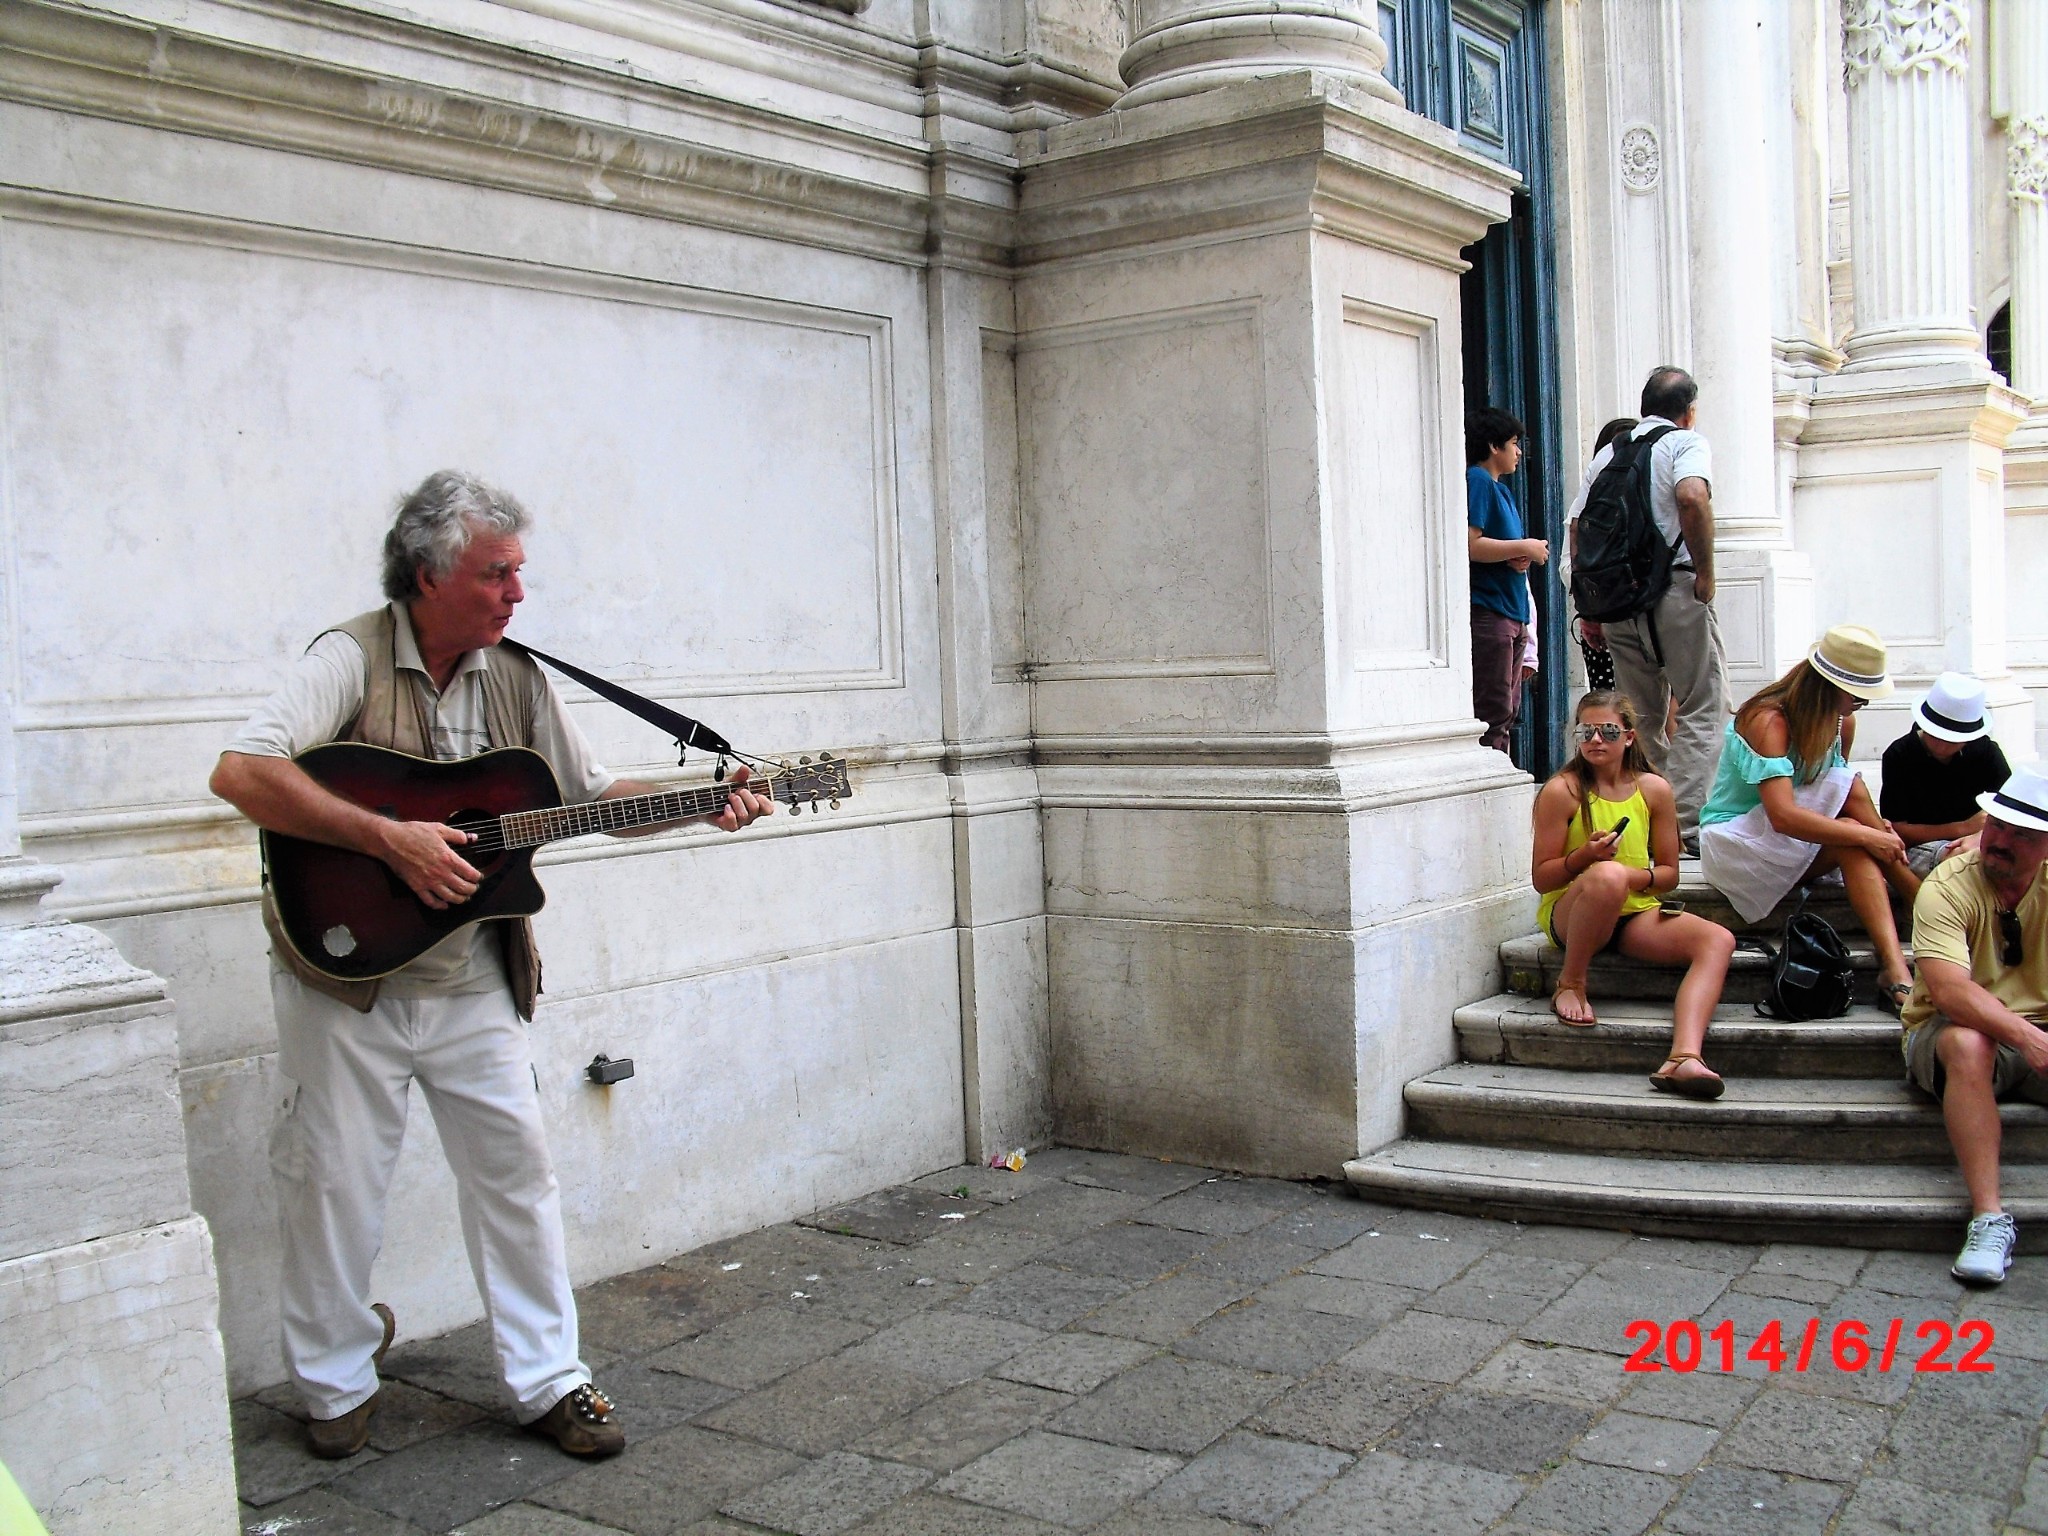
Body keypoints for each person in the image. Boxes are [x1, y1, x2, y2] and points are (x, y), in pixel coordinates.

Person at [209, 471, 774, 1460]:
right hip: (352, 982)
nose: (517, 594)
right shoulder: (347, 659)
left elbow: (595, 795)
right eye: (495, 573)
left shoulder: (518, 677)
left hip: (473, 981)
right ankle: (334, 1384)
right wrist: (390, 842)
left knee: (516, 1178)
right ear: (428, 574)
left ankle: (550, 1379)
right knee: (335, 1182)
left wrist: (701, 796)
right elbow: (242, 773)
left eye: (520, 572)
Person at [1696, 625, 1915, 1013]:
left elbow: (1836, 792)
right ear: (1828, 684)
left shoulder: (1840, 720)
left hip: (1787, 843)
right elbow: (1782, 815)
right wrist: (1874, 835)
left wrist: (1872, 834)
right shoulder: (1769, 720)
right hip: (1736, 844)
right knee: (1855, 823)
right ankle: (1916, 895)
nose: (1862, 703)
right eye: (1857, 694)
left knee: (1853, 832)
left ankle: (1894, 966)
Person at [1532, 691, 1738, 1096]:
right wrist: (1583, 858)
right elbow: (1543, 879)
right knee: (1606, 876)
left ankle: (1684, 1057)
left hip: (1631, 912)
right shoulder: (1563, 791)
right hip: (1571, 914)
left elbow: (1668, 875)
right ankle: (1571, 982)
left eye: (1607, 731)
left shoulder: (1654, 789)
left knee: (1719, 939)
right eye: (1586, 731)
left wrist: (1631, 876)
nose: (1595, 740)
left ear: (1628, 736)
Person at [1899, 763, 2048, 1284]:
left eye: (2021, 834)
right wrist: (2029, 1037)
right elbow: (1948, 992)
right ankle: (1989, 1218)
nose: (2000, 840)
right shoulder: (1948, 884)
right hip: (1948, 1029)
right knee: (1968, 1042)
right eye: (1997, 824)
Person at [1569, 369, 1728, 848]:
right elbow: (1691, 496)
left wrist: (1590, 603)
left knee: (1641, 717)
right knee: (1703, 704)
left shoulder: (1609, 454)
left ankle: (1646, 824)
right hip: (1674, 590)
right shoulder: (1685, 443)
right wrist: (1705, 573)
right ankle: (1681, 825)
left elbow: (1577, 527)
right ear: (1690, 410)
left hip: (1617, 601)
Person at [1879, 671, 2012, 895]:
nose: (1942, 745)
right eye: (1936, 735)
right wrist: (1961, 828)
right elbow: (1896, 828)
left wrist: (1977, 836)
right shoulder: (1899, 754)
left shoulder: (1986, 752)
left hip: (1979, 841)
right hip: (1921, 849)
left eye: (1952, 740)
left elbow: (2012, 808)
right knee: (1961, 861)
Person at [1467, 406, 1548, 755]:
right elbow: (1470, 543)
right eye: (1513, 443)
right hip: (1491, 609)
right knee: (1493, 709)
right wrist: (1523, 546)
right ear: (1493, 446)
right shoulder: (1479, 480)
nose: (1518, 452)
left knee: (1508, 707)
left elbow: (1496, 548)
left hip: (1512, 611)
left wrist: (1516, 556)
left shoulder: (1504, 491)